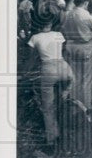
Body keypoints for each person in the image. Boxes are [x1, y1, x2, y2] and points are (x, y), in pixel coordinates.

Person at [27, 15, 75, 145]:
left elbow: (31, 58)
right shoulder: (58, 34)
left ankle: (52, 138)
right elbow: (64, 49)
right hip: (64, 68)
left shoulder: (35, 38)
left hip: (48, 70)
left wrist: (26, 71)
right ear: (50, 24)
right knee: (66, 92)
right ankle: (67, 98)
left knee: (48, 107)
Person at [61, 0, 92, 111]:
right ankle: (86, 106)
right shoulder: (86, 15)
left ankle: (74, 104)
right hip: (85, 46)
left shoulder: (69, 14)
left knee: (75, 77)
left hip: (71, 46)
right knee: (86, 78)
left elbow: (63, 29)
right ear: (85, 3)